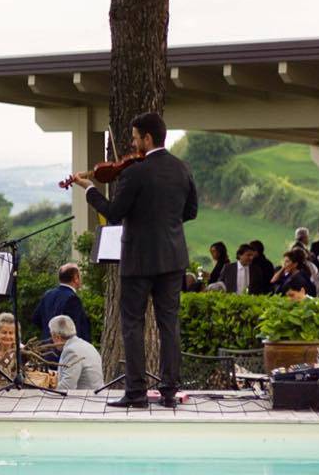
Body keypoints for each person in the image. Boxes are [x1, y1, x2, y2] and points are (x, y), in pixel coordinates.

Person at [70, 112, 197, 409]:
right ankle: (169, 393)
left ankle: (137, 393)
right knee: (169, 325)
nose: (133, 142)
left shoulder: (135, 172)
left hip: (139, 259)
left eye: (136, 137)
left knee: (132, 325)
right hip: (173, 258)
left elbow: (114, 212)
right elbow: (190, 212)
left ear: (148, 138)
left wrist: (89, 189)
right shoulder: (182, 168)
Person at [32, 263, 91, 343]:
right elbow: (75, 328)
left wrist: (49, 332)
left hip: (46, 347)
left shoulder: (48, 295)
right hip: (64, 349)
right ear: (75, 278)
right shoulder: (73, 299)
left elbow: (36, 318)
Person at [50, 315, 104, 391]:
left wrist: (44, 389)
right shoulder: (87, 345)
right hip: (96, 396)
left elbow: (67, 387)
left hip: (85, 399)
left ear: (57, 337)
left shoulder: (71, 351)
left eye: (52, 336)